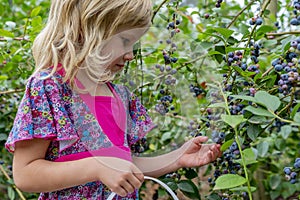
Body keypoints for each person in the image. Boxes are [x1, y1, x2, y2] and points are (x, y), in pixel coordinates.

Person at [5, 0, 221, 199]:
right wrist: (97, 167)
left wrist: (177, 158)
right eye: (125, 41)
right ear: (86, 29)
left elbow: (124, 166)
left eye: (133, 44)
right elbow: (26, 174)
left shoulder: (118, 95)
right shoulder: (49, 87)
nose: (130, 55)